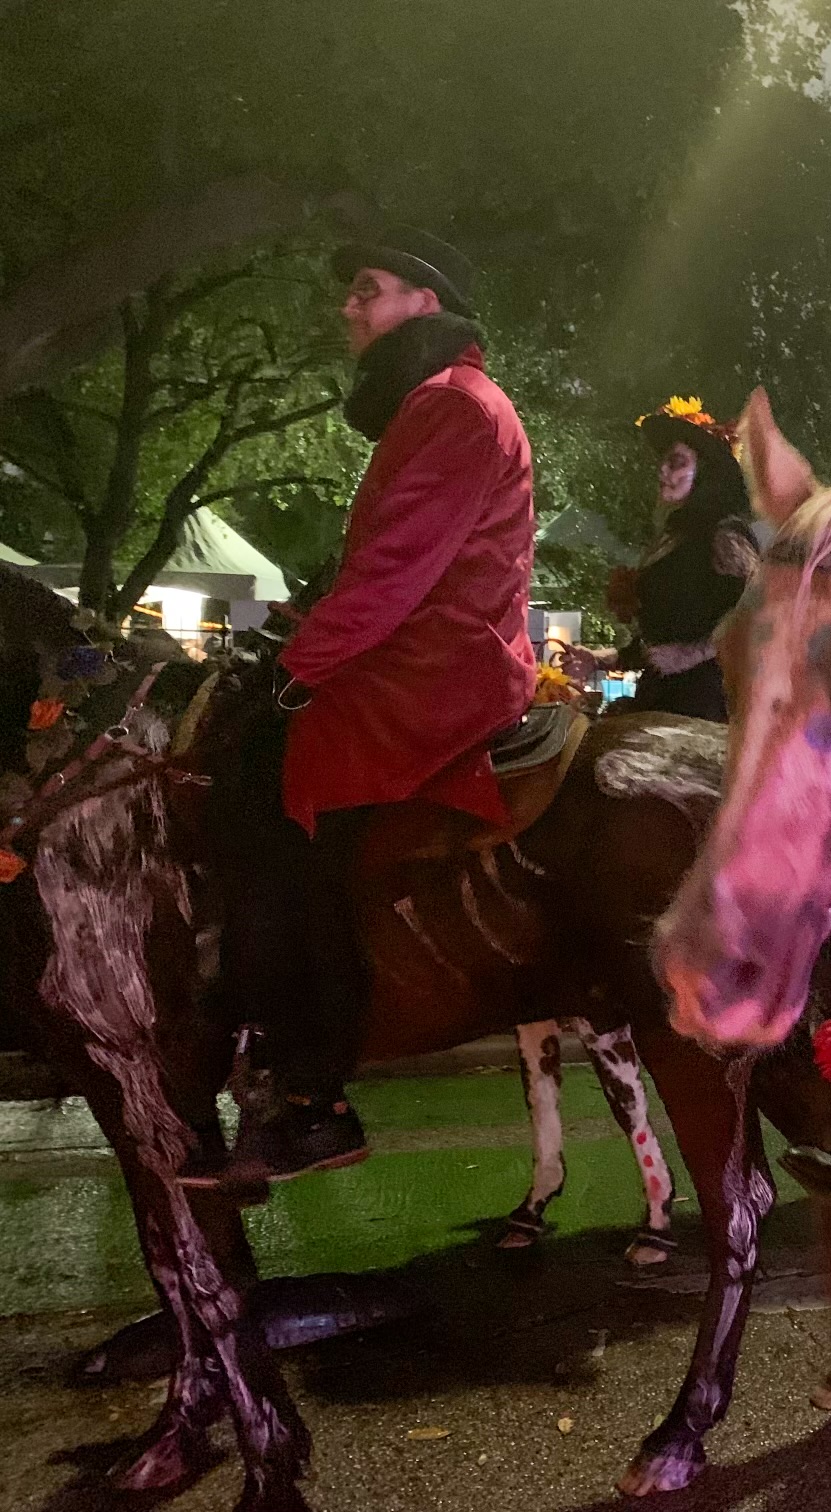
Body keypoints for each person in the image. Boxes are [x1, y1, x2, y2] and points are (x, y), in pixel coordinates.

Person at [188, 225, 537, 1185]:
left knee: (278, 794)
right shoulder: (438, 403)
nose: (349, 306)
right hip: (420, 653)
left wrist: (300, 667)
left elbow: (393, 574)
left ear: (426, 306)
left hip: (435, 668)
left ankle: (314, 1094)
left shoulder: (454, 407)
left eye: (369, 290)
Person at [558, 397, 758, 718]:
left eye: (677, 462)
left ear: (704, 474)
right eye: (664, 460)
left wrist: (689, 654)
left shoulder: (725, 535)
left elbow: (761, 614)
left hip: (705, 709)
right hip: (659, 697)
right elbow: (659, 644)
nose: (662, 469)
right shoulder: (677, 536)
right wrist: (596, 658)